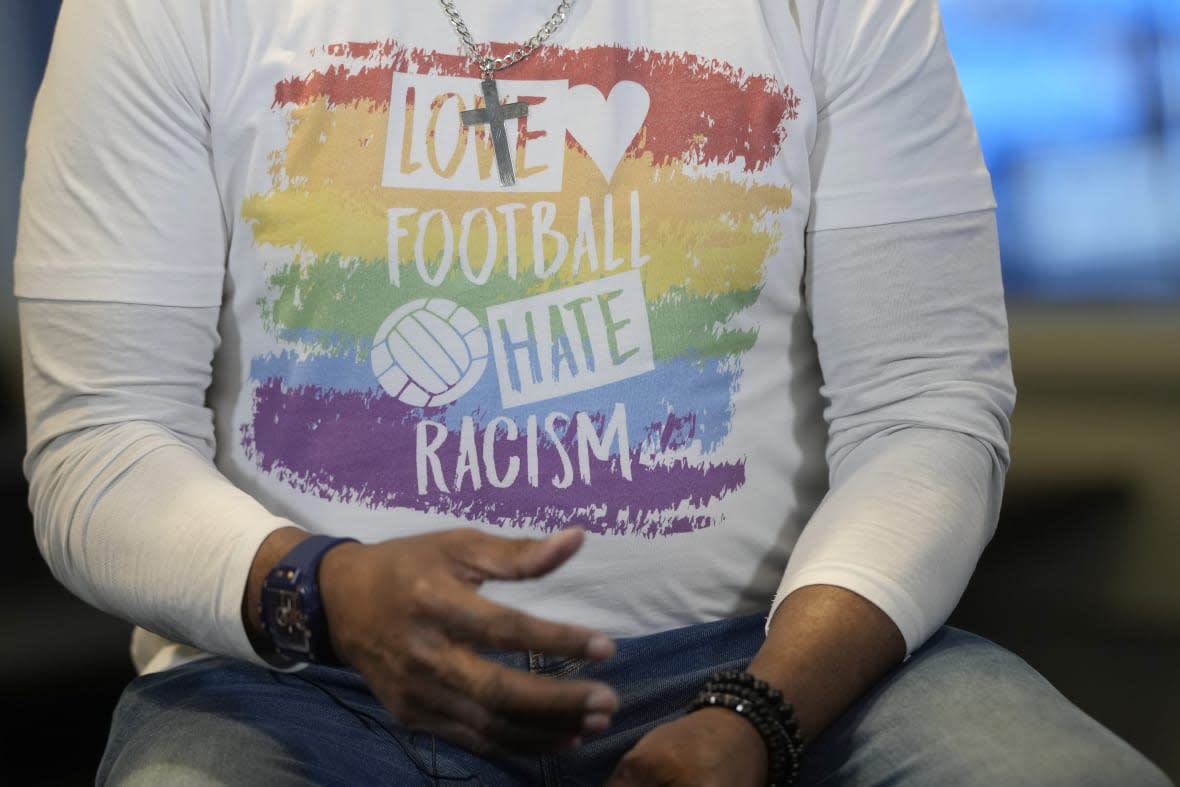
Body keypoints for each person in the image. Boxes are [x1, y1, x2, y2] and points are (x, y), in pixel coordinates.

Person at [14, 1, 1172, 785]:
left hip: (770, 653)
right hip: (302, 677)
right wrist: (330, 594)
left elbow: (927, 405)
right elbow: (98, 444)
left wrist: (760, 712)